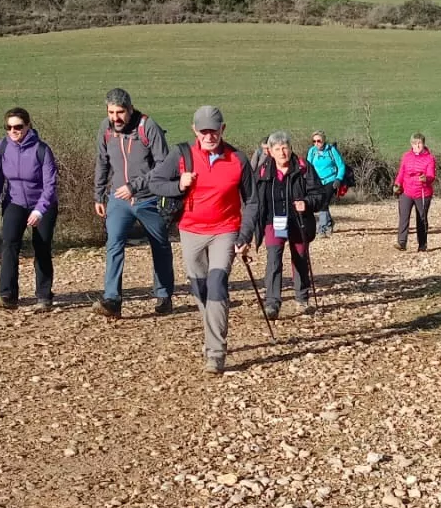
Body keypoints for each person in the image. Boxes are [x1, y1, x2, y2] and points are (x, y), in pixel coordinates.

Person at [149, 106, 258, 374]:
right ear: (194, 130)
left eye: (214, 130)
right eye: (203, 131)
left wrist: (245, 235)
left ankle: (216, 352)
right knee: (200, 288)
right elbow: (155, 183)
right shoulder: (181, 154)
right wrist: (178, 185)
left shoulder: (238, 159)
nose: (209, 136)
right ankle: (213, 332)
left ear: (223, 129)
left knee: (217, 282)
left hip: (226, 229)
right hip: (191, 230)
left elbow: (253, 201)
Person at [94, 88, 175, 318]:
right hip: (118, 199)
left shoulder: (148, 127)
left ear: (130, 109)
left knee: (159, 244)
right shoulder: (105, 129)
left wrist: (135, 186)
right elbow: (101, 162)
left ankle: (163, 295)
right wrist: (98, 195)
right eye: (111, 112)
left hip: (149, 198)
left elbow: (164, 165)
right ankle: (112, 299)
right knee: (114, 244)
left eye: (120, 112)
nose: (115, 118)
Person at [0, 107, 58, 311]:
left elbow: (50, 185)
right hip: (15, 201)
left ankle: (44, 296)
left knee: (41, 246)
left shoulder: (42, 150)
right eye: (8, 127)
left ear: (28, 126)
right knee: (9, 243)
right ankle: (7, 294)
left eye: (18, 127)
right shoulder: (1, 148)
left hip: (43, 203)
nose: (13, 131)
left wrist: (39, 210)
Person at [253, 131, 330, 319]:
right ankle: (272, 303)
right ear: (270, 151)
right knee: (273, 259)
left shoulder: (304, 168)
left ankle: (302, 298)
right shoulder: (263, 171)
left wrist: (307, 203)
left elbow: (319, 194)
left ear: (290, 148)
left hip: (299, 221)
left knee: (300, 258)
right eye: (277, 149)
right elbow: (254, 201)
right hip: (274, 221)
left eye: (285, 148)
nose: (282, 153)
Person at [395, 134, 438, 251]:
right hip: (406, 191)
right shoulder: (406, 156)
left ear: (423, 144)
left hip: (422, 192)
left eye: (419, 143)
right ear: (411, 144)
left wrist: (426, 178)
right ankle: (401, 242)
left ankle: (422, 244)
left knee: (421, 218)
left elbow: (431, 176)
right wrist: (397, 184)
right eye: (414, 143)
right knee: (403, 217)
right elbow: (401, 172)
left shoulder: (430, 158)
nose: (417, 146)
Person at [305, 131, 347, 236]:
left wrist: (338, 179)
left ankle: (322, 229)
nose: (316, 143)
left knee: (323, 203)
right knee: (322, 203)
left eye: (319, 141)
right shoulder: (312, 151)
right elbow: (308, 167)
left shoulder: (331, 150)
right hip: (317, 181)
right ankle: (329, 223)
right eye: (314, 141)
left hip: (331, 180)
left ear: (324, 140)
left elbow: (341, 165)